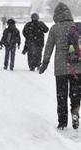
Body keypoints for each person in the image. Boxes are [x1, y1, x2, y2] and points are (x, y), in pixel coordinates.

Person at [39, 2, 81, 130]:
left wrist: (45, 63)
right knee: (75, 93)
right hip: (77, 67)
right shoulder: (76, 27)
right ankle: (75, 113)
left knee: (61, 95)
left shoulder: (55, 28)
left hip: (61, 68)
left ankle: (62, 122)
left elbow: (49, 47)